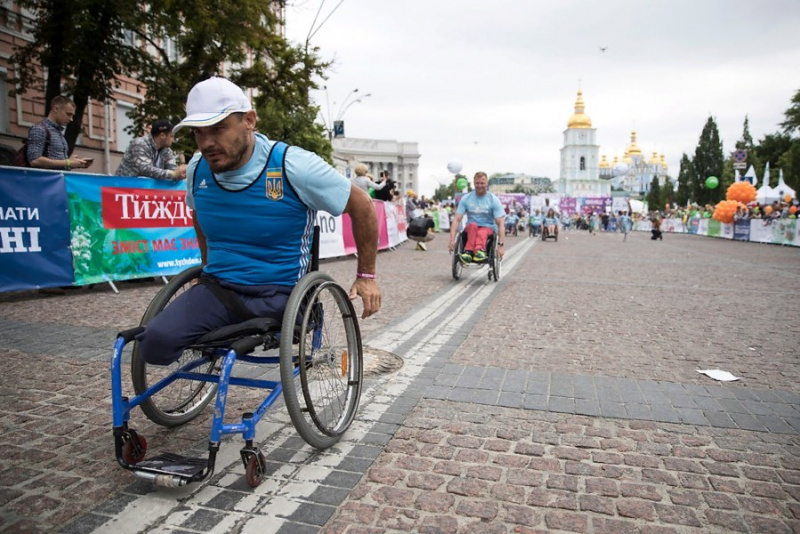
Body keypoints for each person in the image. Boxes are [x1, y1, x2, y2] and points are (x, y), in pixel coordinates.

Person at [136, 77, 381, 366]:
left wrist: (366, 277)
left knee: (230, 344)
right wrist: (206, 267)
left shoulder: (294, 165)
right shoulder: (197, 168)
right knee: (153, 344)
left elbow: (362, 205)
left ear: (249, 120)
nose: (207, 143)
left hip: (280, 294)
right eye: (199, 133)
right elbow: (198, 214)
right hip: (219, 290)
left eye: (218, 128)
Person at [448, 171, 505, 263]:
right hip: (471, 227)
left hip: (488, 227)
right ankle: (468, 252)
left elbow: (500, 223)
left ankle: (479, 251)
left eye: (482, 183)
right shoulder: (466, 198)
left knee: (483, 230)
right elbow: (457, 219)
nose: (479, 186)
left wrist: (500, 245)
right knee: (473, 225)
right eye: (477, 183)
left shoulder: (493, 200)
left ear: (487, 183)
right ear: (474, 183)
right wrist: (452, 240)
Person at [26, 95, 92, 171]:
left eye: (72, 115)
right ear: (56, 108)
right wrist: (68, 162)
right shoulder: (39, 129)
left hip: (57, 180)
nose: (71, 119)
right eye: (68, 114)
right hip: (46, 180)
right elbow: (34, 160)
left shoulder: (58, 131)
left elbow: (60, 163)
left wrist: (74, 163)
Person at [116, 119, 187, 180]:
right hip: (123, 188)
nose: (173, 139)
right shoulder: (139, 144)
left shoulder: (166, 150)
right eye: (171, 136)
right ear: (162, 135)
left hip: (143, 191)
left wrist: (180, 174)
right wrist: (174, 174)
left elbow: (173, 169)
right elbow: (146, 170)